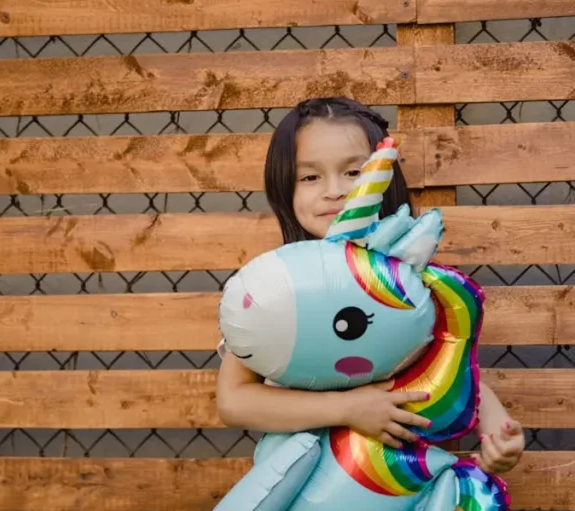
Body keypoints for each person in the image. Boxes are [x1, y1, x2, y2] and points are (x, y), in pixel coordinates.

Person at [215, 96, 525, 474]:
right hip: (303, 481)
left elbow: (445, 364)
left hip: (398, 482)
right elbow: (234, 401)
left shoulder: (404, 280)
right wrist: (347, 409)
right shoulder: (277, 290)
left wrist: (495, 426)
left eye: (353, 172)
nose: (335, 190)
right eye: (310, 176)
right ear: (284, 188)